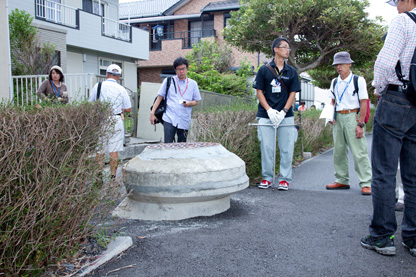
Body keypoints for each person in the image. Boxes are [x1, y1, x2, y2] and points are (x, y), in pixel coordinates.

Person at [361, 0, 416, 257]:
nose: (396, 6)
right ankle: (413, 238)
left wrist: (380, 89)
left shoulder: (404, 22)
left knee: (384, 171)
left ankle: (382, 236)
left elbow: (384, 63)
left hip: (397, 98)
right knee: (414, 177)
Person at [253, 37, 301, 190]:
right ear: (275, 49)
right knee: (267, 147)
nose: (288, 50)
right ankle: (267, 178)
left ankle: (284, 179)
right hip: (266, 115)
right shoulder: (264, 69)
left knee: (286, 148)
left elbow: (293, 93)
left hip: (285, 116)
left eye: (289, 48)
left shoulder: (291, 71)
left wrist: (284, 111)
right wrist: (269, 110)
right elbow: (259, 92)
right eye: (284, 47)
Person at [326, 51, 372, 196]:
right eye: (337, 65)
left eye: (342, 64)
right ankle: (342, 179)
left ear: (349, 64)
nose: (339, 67)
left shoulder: (358, 80)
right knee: (338, 151)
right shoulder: (334, 82)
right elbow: (332, 101)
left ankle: (366, 183)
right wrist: (330, 115)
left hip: (353, 115)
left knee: (359, 151)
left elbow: (364, 102)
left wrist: (360, 124)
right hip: (338, 117)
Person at [88, 64, 132, 179]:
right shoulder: (121, 89)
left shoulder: (98, 86)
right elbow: (128, 108)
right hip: (116, 119)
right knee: (114, 150)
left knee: (100, 149)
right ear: (119, 76)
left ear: (107, 74)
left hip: (101, 119)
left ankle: (98, 175)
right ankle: (113, 176)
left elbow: (90, 103)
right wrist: (120, 108)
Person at [150, 57, 201, 143]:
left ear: (187, 69)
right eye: (179, 69)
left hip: (184, 119)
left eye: (183, 69)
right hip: (169, 118)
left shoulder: (193, 84)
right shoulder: (168, 81)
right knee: (168, 144)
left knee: (182, 145)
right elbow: (159, 98)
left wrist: (189, 103)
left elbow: (196, 101)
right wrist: (152, 113)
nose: (181, 71)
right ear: (175, 70)